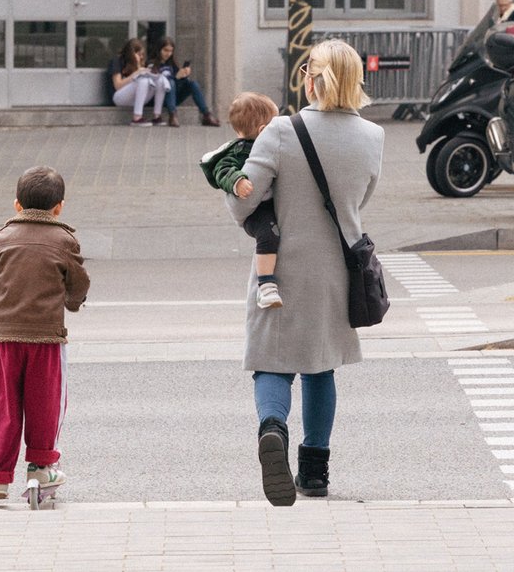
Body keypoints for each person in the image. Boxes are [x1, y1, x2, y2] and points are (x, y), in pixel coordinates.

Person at [225, 39, 384, 506]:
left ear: (311, 80)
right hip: (337, 270)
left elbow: (244, 200)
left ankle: (272, 427)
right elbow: (356, 205)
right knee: (321, 365)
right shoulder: (373, 138)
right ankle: (314, 471)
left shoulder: (279, 131)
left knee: (272, 360)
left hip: (280, 266)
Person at [0, 166, 90, 501]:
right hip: (46, 339)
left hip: (4, 340)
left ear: (16, 205)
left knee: (6, 406)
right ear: (59, 208)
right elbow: (78, 282)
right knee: (46, 402)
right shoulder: (65, 240)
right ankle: (41, 468)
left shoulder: (0, 239)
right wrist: (73, 302)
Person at [199, 92, 282, 308]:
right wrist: (237, 182)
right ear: (264, 130)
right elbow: (222, 169)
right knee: (268, 234)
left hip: (272, 202)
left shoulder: (271, 146)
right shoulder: (237, 151)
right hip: (257, 212)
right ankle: (265, 285)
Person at [152, 36, 220, 127]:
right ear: (159, 50)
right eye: (165, 50)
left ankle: (206, 114)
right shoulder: (152, 64)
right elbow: (158, 82)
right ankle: (172, 115)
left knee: (193, 84)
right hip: (159, 98)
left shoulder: (172, 64)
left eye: (170, 51)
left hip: (173, 97)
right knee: (171, 82)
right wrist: (176, 77)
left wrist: (184, 75)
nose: (168, 54)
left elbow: (178, 82)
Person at [109, 38, 169, 126]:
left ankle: (157, 116)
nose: (141, 57)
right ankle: (137, 118)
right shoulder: (117, 61)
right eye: (138, 54)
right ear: (131, 53)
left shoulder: (140, 62)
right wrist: (136, 73)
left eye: (142, 54)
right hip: (119, 98)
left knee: (159, 80)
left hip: (137, 98)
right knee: (143, 81)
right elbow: (118, 85)